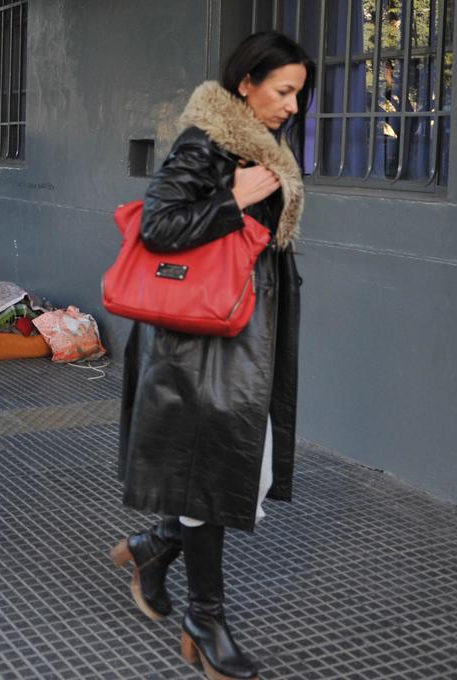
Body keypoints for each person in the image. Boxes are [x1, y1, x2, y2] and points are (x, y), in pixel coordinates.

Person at [110, 31, 313, 680]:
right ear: (246, 84)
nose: (293, 106)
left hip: (239, 334)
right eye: (284, 91)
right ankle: (206, 619)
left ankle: (155, 546)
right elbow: (157, 225)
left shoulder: (258, 146)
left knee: (238, 475)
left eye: (298, 94)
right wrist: (235, 200)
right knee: (215, 477)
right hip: (200, 343)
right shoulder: (207, 142)